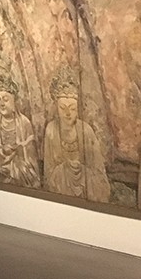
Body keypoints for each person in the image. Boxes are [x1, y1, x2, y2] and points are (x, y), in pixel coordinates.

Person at [42, 71, 109, 202]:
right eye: (63, 108)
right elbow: (48, 174)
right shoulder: (51, 130)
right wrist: (65, 169)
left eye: (72, 108)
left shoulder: (86, 131)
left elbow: (99, 174)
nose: (68, 113)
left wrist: (81, 170)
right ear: (56, 108)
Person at [0, 72, 40, 188]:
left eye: (5, 99)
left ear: (14, 101)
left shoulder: (24, 123)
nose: (1, 104)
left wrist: (19, 152)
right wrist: (2, 152)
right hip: (3, 169)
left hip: (20, 171)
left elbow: (31, 156)